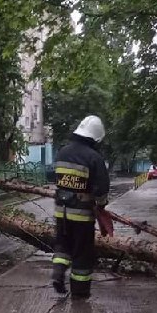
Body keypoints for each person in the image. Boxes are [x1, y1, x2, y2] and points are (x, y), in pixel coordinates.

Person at [51, 115, 111, 299]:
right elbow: (101, 189)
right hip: (82, 217)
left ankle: (58, 272)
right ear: (95, 137)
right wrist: (101, 206)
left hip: (62, 212)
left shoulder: (62, 152)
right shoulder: (94, 157)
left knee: (62, 245)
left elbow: (59, 181)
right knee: (82, 254)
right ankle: (80, 292)